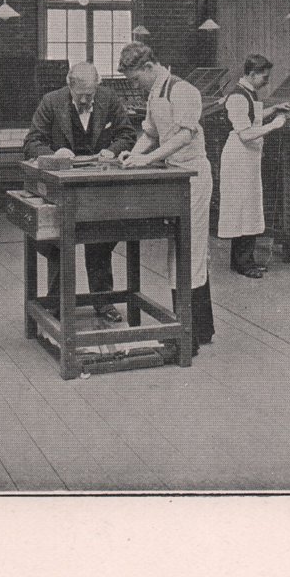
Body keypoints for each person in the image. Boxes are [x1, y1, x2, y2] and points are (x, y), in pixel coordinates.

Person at [116, 43, 214, 354]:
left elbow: (186, 134)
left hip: (193, 176)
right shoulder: (155, 93)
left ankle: (191, 336)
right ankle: (201, 326)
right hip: (175, 176)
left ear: (148, 67)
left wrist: (148, 160)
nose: (135, 85)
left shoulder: (183, 91)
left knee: (190, 250)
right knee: (180, 250)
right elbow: (150, 133)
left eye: (135, 79)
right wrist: (132, 156)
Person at [22, 62, 137, 322]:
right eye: (80, 95)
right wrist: (54, 155)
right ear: (69, 85)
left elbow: (128, 134)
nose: (85, 99)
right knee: (57, 243)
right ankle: (57, 303)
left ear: (98, 85)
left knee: (100, 241)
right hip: (61, 186)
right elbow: (31, 142)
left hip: (98, 186)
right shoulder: (51, 102)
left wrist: (114, 149)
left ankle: (103, 301)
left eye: (90, 94)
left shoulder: (109, 99)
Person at [218, 54, 287, 278]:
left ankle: (244, 260)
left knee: (247, 210)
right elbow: (246, 134)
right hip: (239, 157)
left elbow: (252, 118)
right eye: (264, 77)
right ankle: (243, 264)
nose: (267, 81)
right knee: (242, 210)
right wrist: (275, 125)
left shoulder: (247, 92)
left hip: (247, 158)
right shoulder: (237, 97)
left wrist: (274, 110)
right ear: (251, 74)